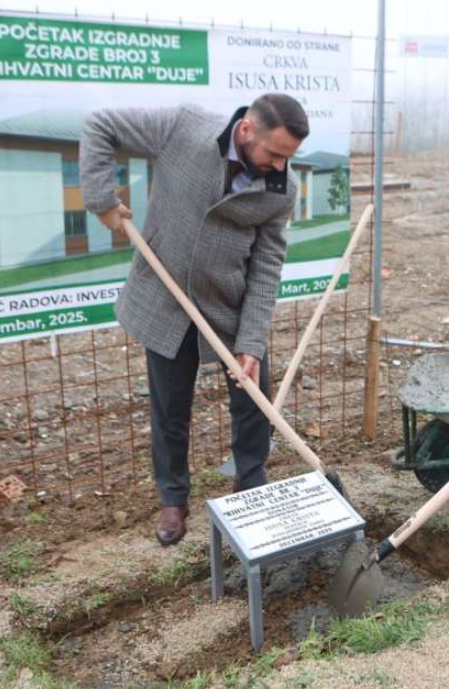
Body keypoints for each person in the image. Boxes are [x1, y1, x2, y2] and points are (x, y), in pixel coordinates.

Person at [81, 94, 309, 545]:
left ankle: (250, 483)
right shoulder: (182, 127)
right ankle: (173, 497)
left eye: (289, 157)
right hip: (165, 297)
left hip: (230, 303)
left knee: (252, 401)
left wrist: (251, 340)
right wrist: (100, 198)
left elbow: (266, 267)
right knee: (170, 407)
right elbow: (100, 123)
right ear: (246, 131)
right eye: (275, 154)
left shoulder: (282, 190)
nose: (282, 166)